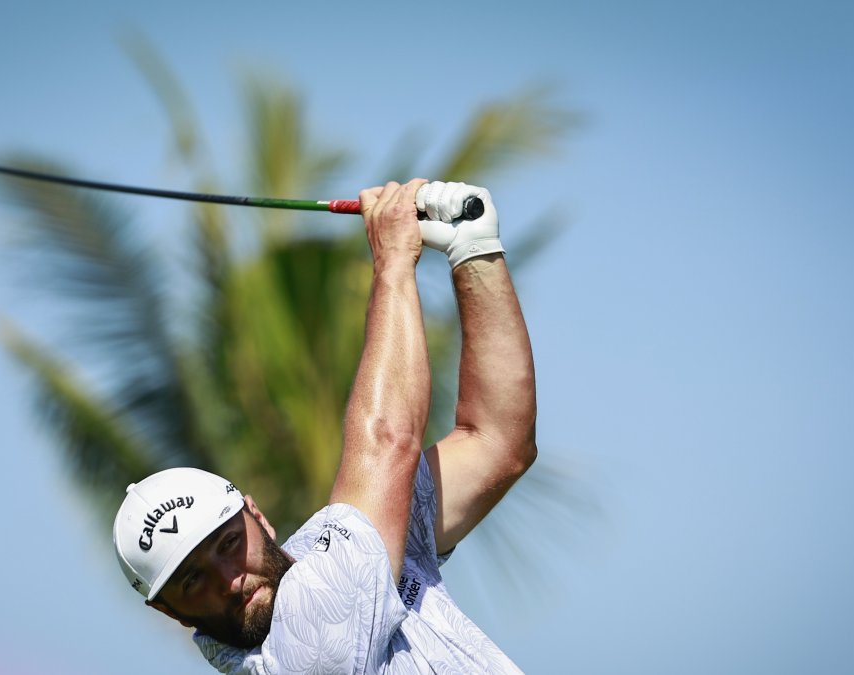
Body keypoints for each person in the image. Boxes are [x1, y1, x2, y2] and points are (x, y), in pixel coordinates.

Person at [113, 179, 537, 673]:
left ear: (255, 515)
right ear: (168, 610)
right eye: (192, 581)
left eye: (228, 544)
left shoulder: (333, 549)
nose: (230, 580)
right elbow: (387, 443)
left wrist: (474, 250)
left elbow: (497, 441)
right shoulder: (296, 659)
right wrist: (394, 261)